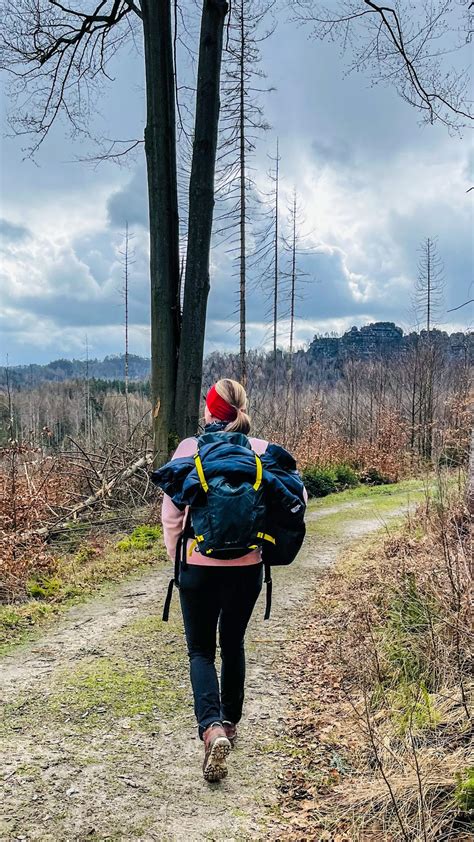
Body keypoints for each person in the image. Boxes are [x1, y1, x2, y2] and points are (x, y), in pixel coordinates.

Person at [161, 378, 269, 783]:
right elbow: (298, 499)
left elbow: (171, 515)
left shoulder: (190, 450)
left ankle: (211, 728)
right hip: (247, 568)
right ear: (242, 409)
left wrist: (179, 558)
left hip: (197, 566)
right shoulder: (260, 451)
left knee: (201, 651)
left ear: (208, 412)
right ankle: (232, 722)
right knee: (233, 643)